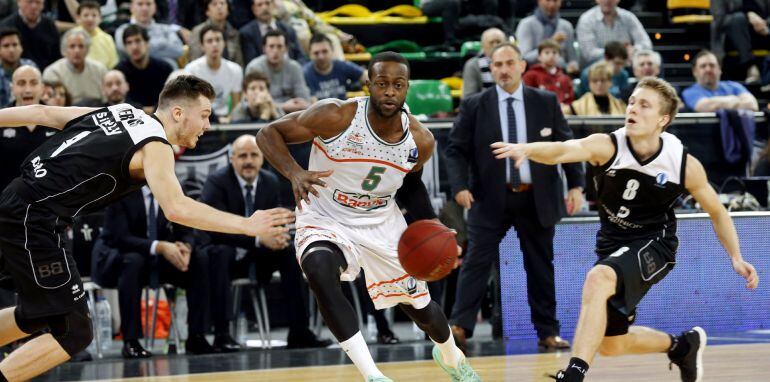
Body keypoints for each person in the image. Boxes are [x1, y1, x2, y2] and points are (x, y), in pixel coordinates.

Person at [0, 75, 293, 381]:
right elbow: (177, 208)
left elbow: (41, 113)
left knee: (36, 314)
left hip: (12, 200)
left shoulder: (119, 111)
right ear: (178, 113)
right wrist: (247, 225)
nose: (207, 125)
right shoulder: (155, 144)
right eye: (204, 115)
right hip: (35, 220)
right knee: (73, 332)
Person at [491, 77, 759, 382]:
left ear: (663, 119)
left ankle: (574, 375)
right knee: (611, 345)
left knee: (598, 278)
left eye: (644, 104)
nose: (633, 108)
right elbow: (563, 150)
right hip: (613, 243)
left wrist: (736, 257)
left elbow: (717, 211)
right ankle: (682, 345)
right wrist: (527, 149)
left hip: (655, 243)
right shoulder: (607, 146)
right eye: (632, 101)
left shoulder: (681, 164)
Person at [256, 51, 480, 382]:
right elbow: (268, 134)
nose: (389, 91)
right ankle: (372, 374)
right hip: (325, 213)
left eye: (398, 85)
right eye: (382, 83)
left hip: (380, 220)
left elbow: (411, 187)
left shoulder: (421, 140)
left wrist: (435, 227)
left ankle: (450, 356)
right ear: (368, 85)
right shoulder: (336, 115)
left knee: (419, 308)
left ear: (407, 89)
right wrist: (293, 172)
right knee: (318, 268)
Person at [445, 43, 584, 353]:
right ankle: (459, 327)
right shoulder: (474, 105)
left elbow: (566, 145)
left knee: (540, 267)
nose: (503, 70)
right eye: (497, 65)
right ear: (491, 69)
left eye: (509, 63)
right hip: (489, 197)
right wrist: (459, 187)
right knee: (476, 262)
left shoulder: (546, 102)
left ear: (522, 65)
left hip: (537, 197)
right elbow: (455, 150)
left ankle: (548, 332)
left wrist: (576, 184)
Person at [199, 134, 331, 348]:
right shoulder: (217, 181)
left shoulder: (269, 181)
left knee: (289, 252)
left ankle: (299, 331)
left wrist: (278, 236)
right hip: (229, 253)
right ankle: (222, 335)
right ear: (232, 159)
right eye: (242, 156)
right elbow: (214, 230)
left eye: (253, 155)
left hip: (258, 256)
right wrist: (259, 239)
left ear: (262, 158)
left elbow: (276, 218)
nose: (249, 161)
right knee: (220, 253)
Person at [98, 186, 224, 357]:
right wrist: (159, 247)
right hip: (125, 257)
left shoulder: (173, 191)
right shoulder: (121, 192)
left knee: (199, 259)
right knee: (133, 262)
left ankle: (197, 335)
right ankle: (130, 341)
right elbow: (119, 237)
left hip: (162, 260)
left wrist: (186, 247)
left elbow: (188, 230)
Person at [0, 65, 54, 190]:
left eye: (33, 83)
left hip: (48, 198)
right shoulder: (2, 120)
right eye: (21, 83)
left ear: (42, 88)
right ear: (12, 88)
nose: (28, 89)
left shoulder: (58, 121)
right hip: (7, 199)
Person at [184, 24, 243, 122]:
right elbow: (190, 104)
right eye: (209, 41)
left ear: (224, 43)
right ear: (202, 46)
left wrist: (229, 120)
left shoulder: (235, 69)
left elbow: (236, 106)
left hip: (226, 120)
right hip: (199, 119)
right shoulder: (191, 69)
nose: (214, 44)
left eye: (218, 40)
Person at [245, 29, 310, 113]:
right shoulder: (254, 67)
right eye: (271, 46)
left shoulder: (295, 67)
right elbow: (254, 102)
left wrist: (299, 104)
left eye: (279, 46)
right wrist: (284, 106)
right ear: (264, 49)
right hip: (263, 115)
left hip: (292, 114)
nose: (275, 51)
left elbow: (304, 99)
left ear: (286, 49)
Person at [115, 24, 174, 113]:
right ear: (125, 47)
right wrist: (144, 110)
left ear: (147, 43)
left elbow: (172, 98)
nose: (134, 47)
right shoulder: (119, 72)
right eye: (129, 43)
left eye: (138, 41)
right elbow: (118, 101)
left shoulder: (164, 68)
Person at [42, 28, 108, 105]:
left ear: (87, 50)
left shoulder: (100, 70)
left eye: (81, 46)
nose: (77, 51)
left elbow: (106, 99)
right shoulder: (52, 72)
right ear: (64, 50)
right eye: (72, 46)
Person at [575, 0, 652, 66]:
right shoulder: (586, 19)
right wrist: (619, 52)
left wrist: (634, 50)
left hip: (627, 62)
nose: (607, 1)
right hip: (598, 65)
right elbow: (589, 53)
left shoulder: (629, 17)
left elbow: (646, 43)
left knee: (653, 62)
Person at [114, 0, 188, 68]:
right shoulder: (122, 30)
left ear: (155, 7)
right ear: (131, 7)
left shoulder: (166, 29)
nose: (145, 8)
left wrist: (145, 49)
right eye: (140, 4)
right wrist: (162, 44)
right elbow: (126, 51)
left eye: (148, 4)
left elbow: (178, 50)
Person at [681, 50, 759, 112]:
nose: (708, 69)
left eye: (712, 65)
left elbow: (752, 105)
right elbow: (704, 107)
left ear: (720, 69)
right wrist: (733, 99)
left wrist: (718, 104)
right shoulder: (689, 92)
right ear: (695, 71)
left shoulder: (734, 86)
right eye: (703, 66)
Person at [515, 0, 579, 74]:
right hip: (533, 74)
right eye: (548, 0)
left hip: (561, 74)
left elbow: (572, 58)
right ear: (539, 1)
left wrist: (573, 65)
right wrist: (552, 41)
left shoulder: (566, 26)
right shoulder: (526, 24)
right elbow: (524, 58)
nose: (552, 4)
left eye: (555, 1)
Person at [303, 33, 366, 101]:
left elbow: (366, 76)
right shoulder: (305, 73)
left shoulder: (341, 66)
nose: (321, 57)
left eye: (325, 51)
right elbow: (312, 105)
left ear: (332, 51)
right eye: (316, 53)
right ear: (310, 54)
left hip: (342, 110)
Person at [239, 0, 305, 64]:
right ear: (254, 9)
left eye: (267, 3)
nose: (264, 8)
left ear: (273, 5)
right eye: (260, 5)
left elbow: (300, 56)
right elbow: (251, 61)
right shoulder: (247, 33)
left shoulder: (287, 29)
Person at [0, 0, 60, 69]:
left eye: (38, 2)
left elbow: (56, 57)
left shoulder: (50, 26)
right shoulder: (6, 26)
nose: (34, 6)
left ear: (43, 5)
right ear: (19, 2)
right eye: (29, 2)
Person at [522, 39, 574, 114]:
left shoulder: (565, 78)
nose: (551, 55)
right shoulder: (530, 76)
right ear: (539, 56)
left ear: (559, 56)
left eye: (554, 52)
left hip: (562, 114)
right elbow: (526, 98)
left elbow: (570, 100)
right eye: (547, 52)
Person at [188, 0, 243, 66]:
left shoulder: (234, 33)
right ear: (207, 11)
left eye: (222, 3)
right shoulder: (197, 31)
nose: (219, 7)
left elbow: (239, 62)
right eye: (214, 4)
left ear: (228, 10)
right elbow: (195, 59)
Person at [72, 0, 118, 70]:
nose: (90, 19)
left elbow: (113, 65)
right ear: (78, 18)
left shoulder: (107, 39)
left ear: (100, 18)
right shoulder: (71, 36)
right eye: (86, 15)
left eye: (94, 15)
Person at [462, 27, 507, 98]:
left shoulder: (513, 63)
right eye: (491, 42)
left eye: (498, 42)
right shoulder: (472, 65)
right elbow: (468, 98)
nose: (495, 45)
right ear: (482, 45)